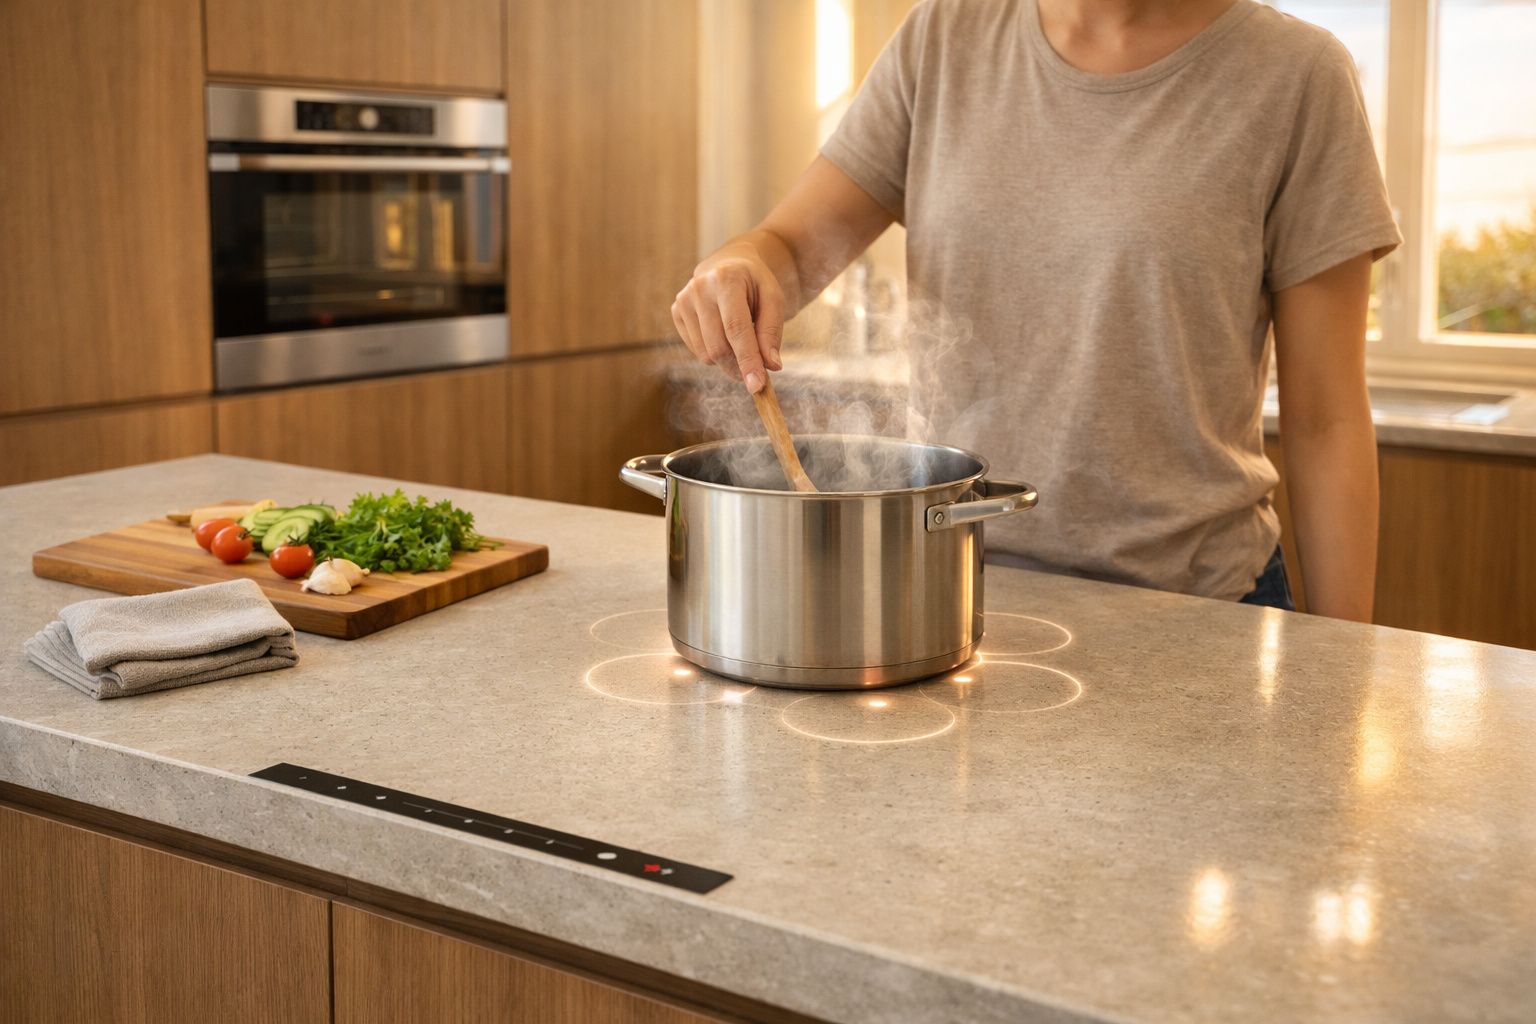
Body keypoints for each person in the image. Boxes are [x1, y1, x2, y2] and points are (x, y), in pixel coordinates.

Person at [670, 0, 1400, 619]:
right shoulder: (945, 36)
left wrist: (1341, 676)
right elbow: (792, 249)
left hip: (1197, 607)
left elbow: (1325, 419)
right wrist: (743, 266)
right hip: (949, 591)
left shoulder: (1296, 75)